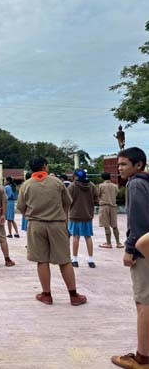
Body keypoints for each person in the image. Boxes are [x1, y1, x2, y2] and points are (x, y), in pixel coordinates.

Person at [17, 156, 86, 306]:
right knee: (64, 260)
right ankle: (74, 295)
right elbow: (67, 202)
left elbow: (21, 207)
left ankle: (46, 295)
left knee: (42, 260)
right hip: (57, 224)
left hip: (36, 225)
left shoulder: (26, 185)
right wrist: (63, 218)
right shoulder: (56, 182)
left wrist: (32, 216)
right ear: (45, 166)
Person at [111, 147, 149, 369]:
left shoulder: (135, 184)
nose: (120, 168)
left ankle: (142, 358)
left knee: (144, 302)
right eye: (119, 164)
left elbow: (139, 222)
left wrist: (130, 249)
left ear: (139, 165)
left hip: (143, 251)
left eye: (124, 164)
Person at [68, 169, 99, 268]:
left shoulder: (72, 186)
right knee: (88, 237)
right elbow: (96, 199)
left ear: (75, 176)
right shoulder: (91, 185)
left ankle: (75, 259)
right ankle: (91, 260)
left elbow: (67, 199)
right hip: (87, 215)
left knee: (75, 237)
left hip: (75, 215)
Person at [98, 172, 123, 249]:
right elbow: (116, 194)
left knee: (106, 225)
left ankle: (108, 243)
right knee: (114, 225)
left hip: (104, 206)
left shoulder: (101, 186)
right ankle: (118, 243)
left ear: (102, 178)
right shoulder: (115, 186)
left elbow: (98, 195)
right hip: (113, 206)